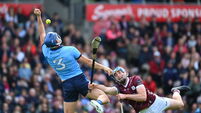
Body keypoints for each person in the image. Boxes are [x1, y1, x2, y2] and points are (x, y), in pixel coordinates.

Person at [34, 8, 113, 113]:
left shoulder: (46, 51)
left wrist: (38, 17)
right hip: (79, 80)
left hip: (67, 84)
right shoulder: (70, 50)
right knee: (105, 98)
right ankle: (97, 102)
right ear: (58, 42)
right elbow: (89, 62)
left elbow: (41, 33)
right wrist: (104, 67)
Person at [89, 66, 190, 113]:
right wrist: (95, 86)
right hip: (143, 111)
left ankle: (175, 91)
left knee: (180, 105)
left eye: (120, 72)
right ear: (115, 79)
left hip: (156, 102)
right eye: (116, 75)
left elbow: (143, 96)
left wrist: (125, 96)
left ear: (126, 73)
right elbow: (107, 90)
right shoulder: (119, 88)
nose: (119, 75)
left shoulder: (135, 79)